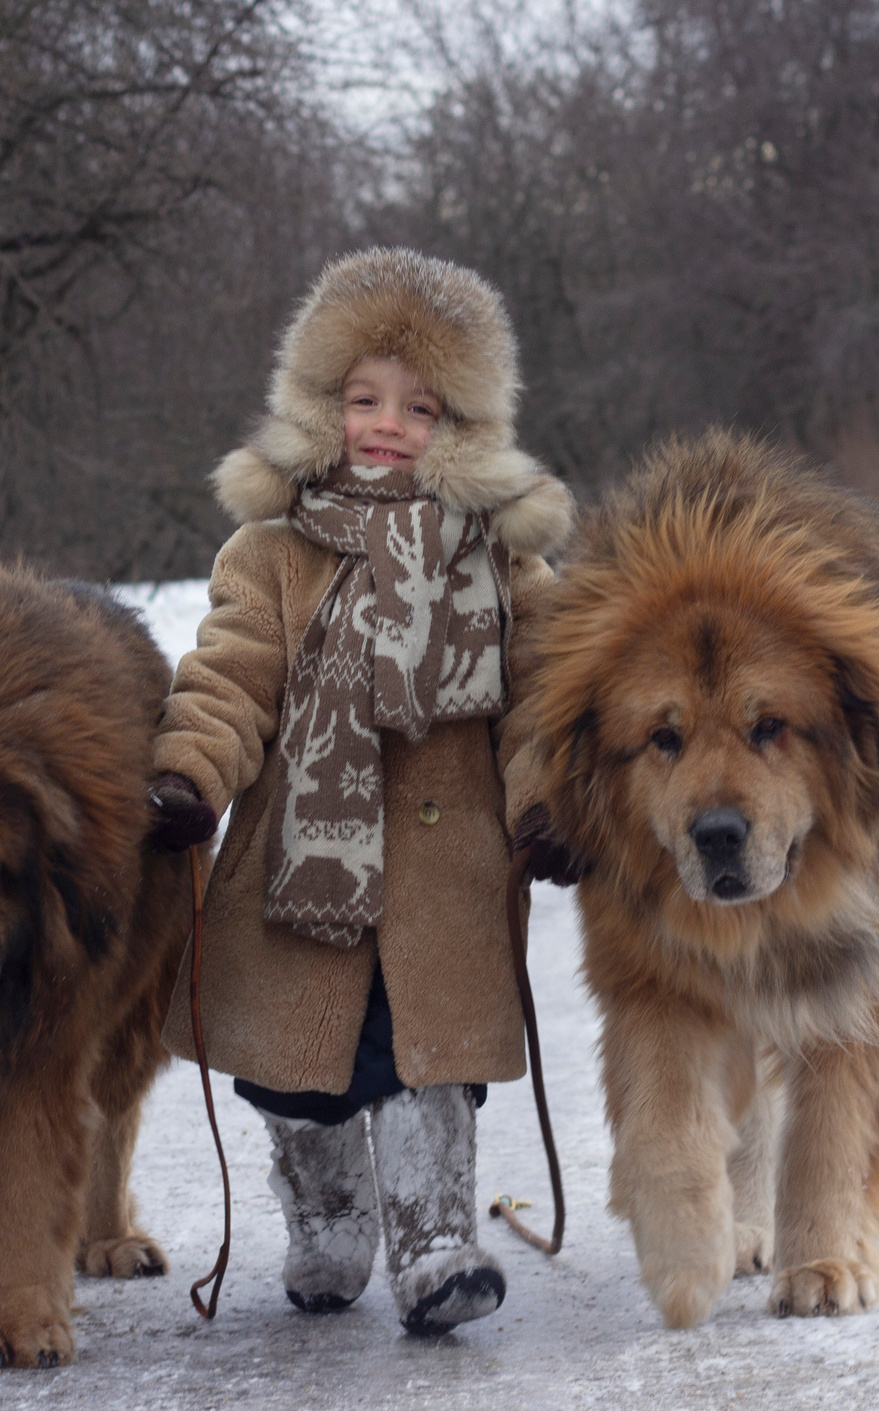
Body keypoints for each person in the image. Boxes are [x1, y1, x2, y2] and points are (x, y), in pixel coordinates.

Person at [141, 249, 573, 1334]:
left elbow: (539, 703)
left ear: (463, 423)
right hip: (302, 862)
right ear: (318, 405)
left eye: (418, 405)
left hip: (446, 877)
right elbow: (228, 679)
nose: (385, 423)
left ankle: (436, 1244)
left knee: (424, 1060)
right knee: (302, 1072)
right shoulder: (272, 550)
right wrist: (188, 775)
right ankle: (327, 1218)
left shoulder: (502, 563)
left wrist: (547, 803)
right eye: (362, 398)